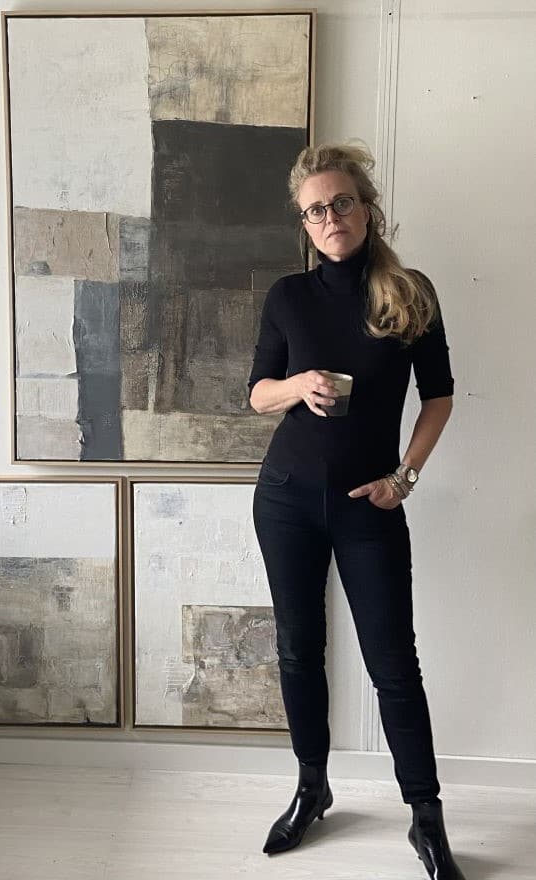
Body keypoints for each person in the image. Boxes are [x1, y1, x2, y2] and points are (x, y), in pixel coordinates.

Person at [248, 142, 466, 880]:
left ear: (367, 208)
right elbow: (256, 393)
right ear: (304, 225)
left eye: (342, 201)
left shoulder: (409, 293)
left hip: (368, 503)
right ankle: (312, 788)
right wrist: (297, 382)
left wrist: (404, 476)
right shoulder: (287, 297)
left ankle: (426, 817)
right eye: (315, 209)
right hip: (283, 498)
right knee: (296, 649)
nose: (330, 216)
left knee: (393, 662)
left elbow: (438, 395)